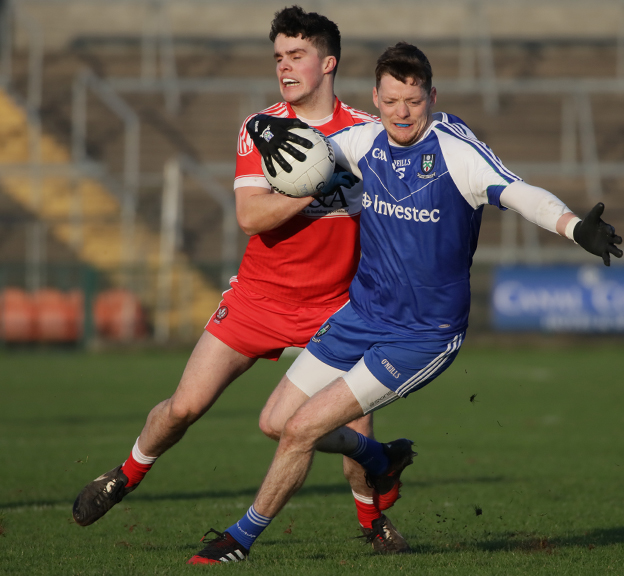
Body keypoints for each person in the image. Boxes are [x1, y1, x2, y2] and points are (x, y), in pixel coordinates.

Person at [186, 41, 623, 564]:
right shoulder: (364, 140)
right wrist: (265, 129)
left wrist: (574, 227)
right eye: (390, 101)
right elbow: (312, 147)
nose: (400, 113)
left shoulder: (455, 152)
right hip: (362, 314)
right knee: (275, 422)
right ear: (376, 97)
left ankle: (241, 538)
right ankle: (381, 458)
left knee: (303, 429)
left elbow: (519, 193)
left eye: (413, 101)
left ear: (431, 97)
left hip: (423, 333)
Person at [72, 7, 411, 554]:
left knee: (356, 431)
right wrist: (312, 186)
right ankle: (126, 474)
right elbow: (251, 217)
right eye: (278, 57)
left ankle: (375, 521)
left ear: (328, 62)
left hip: (338, 306)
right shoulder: (264, 128)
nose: (284, 66)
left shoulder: (367, 135)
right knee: (183, 407)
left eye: (296, 55)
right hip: (259, 297)